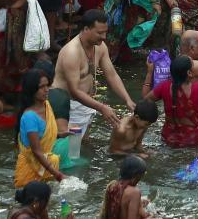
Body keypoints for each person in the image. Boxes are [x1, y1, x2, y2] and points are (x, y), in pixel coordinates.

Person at [52, 10, 136, 156]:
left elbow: (112, 75)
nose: (104, 37)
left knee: (83, 143)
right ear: (85, 29)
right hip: (67, 107)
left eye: (105, 32)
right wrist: (102, 108)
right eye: (99, 33)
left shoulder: (100, 47)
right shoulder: (71, 52)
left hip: (87, 103)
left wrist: (127, 99)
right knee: (72, 154)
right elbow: (74, 91)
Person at [15, 68, 64, 187]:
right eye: (42, 87)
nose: (46, 89)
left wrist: (60, 135)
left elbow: (43, 134)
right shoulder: (30, 117)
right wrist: (58, 174)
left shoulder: (46, 105)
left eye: (47, 85)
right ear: (32, 89)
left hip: (46, 165)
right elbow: (37, 151)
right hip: (30, 171)